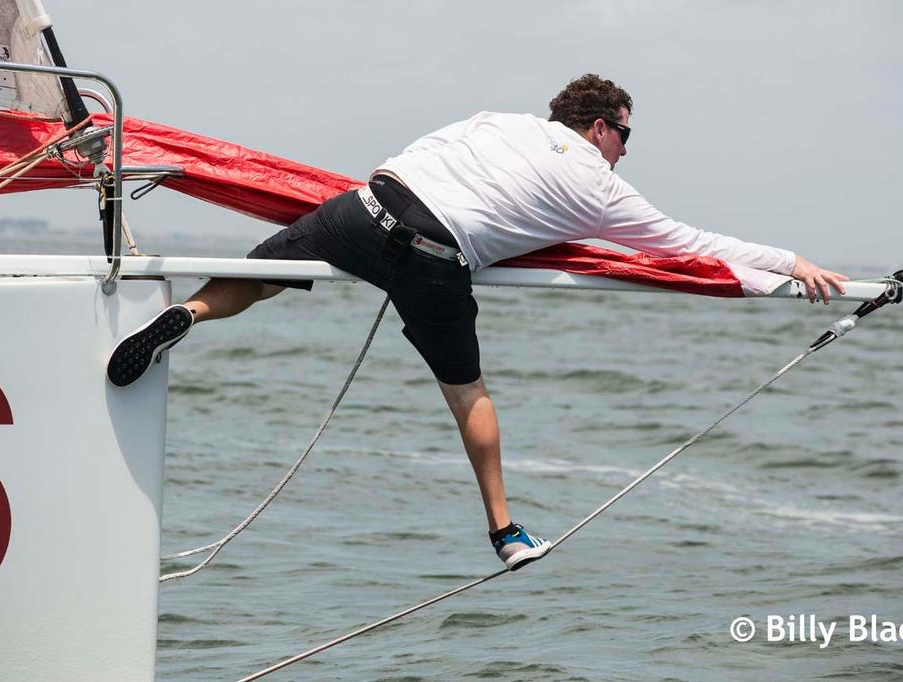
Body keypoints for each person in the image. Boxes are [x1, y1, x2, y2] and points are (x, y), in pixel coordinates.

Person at [107, 74, 848, 571]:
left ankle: (188, 313)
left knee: (256, 278)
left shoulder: (498, 120)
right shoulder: (596, 185)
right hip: (434, 255)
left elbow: (421, 159)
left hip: (364, 210)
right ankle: (505, 531)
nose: (626, 152)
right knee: (468, 393)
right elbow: (690, 244)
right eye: (627, 137)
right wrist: (790, 260)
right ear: (600, 130)